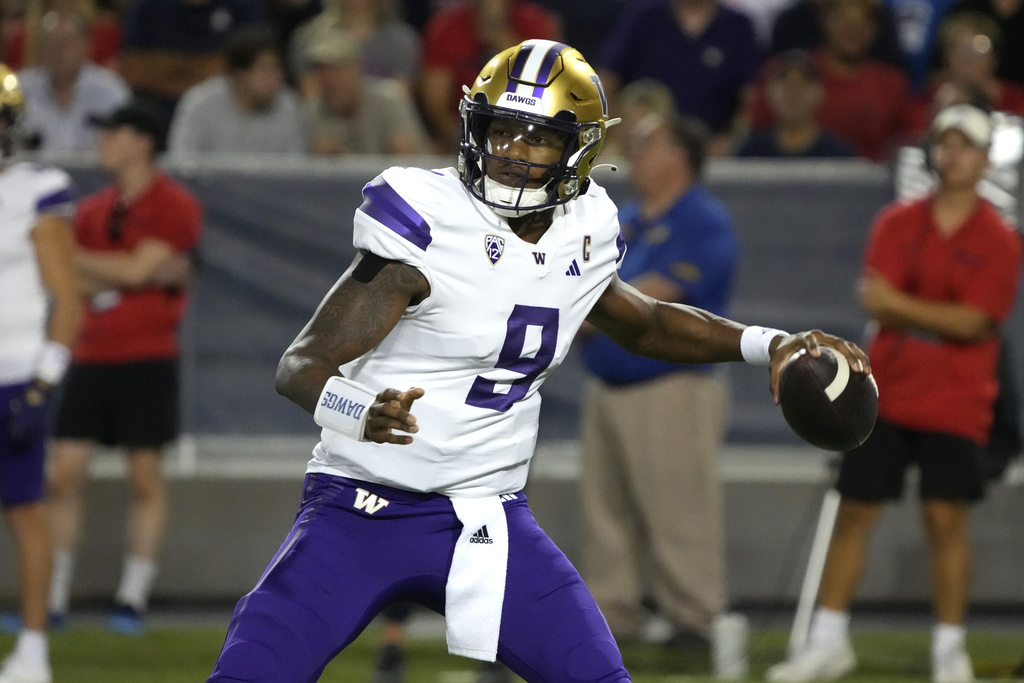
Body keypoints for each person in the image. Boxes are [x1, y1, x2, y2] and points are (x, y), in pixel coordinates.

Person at [205, 38, 871, 683]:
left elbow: (645, 323)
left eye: (537, 136)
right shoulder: (427, 220)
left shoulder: (586, 227)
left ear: (577, 147)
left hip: (488, 517)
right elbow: (301, 363)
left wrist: (770, 343)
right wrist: (359, 409)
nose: (510, 151)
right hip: (357, 510)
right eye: (500, 129)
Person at [767, 103, 1022, 683]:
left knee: (944, 517)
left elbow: (975, 322)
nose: (953, 154)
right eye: (946, 143)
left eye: (966, 145)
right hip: (885, 392)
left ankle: (949, 651)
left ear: (984, 159)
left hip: (957, 397)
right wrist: (937, 315)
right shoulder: (897, 222)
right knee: (854, 510)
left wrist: (905, 309)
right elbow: (881, 301)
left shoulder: (1000, 238)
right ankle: (829, 641)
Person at [578, 112, 738, 650]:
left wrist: (579, 311)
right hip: (608, 386)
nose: (636, 150)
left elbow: (651, 295)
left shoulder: (703, 220)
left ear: (680, 157)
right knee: (606, 514)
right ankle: (613, 615)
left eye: (650, 142)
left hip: (672, 386)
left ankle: (695, 618)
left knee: (679, 510)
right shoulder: (622, 218)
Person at [46, 99, 203, 635]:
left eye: (113, 133)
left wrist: (71, 254)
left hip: (146, 355)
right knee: (62, 473)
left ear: (142, 142)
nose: (104, 143)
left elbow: (133, 269)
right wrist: (131, 272)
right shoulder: (93, 210)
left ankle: (132, 597)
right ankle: (53, 596)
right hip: (92, 353)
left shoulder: (173, 205)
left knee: (144, 477)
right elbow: (97, 277)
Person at [0, 65, 81, 683]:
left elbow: (67, 297)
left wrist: (42, 384)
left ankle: (33, 651)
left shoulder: (35, 188)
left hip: (16, 373)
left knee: (24, 510)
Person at [598, 0, 761, 156]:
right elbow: (606, 81)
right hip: (644, 148)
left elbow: (750, 96)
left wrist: (730, 142)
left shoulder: (738, 26)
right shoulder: (644, 16)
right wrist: (617, 133)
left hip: (712, 153)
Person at [418, 0, 560, 152]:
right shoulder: (445, 28)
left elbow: (547, 89)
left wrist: (500, 36)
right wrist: (465, 139)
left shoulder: (535, 23)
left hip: (526, 127)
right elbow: (436, 105)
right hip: (461, 133)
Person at [167, 25, 308, 155]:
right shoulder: (199, 104)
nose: (274, 79)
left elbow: (295, 169)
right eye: (264, 69)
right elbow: (181, 163)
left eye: (277, 69)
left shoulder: (288, 105)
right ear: (238, 75)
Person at [117, 0, 265, 118]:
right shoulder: (148, 5)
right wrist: (209, 67)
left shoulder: (243, 6)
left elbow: (253, 69)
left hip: (224, 116)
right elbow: (134, 70)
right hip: (157, 114)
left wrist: (168, 67)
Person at [18, 9, 131, 152]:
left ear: (86, 46)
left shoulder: (111, 93)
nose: (58, 51)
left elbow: (126, 153)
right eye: (51, 43)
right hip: (33, 173)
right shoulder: (19, 90)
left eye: (66, 43)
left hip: (94, 174)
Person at [304, 30, 429, 156]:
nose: (328, 81)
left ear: (358, 68)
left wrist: (344, 159)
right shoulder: (315, 110)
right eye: (321, 71)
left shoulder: (389, 99)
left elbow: (405, 161)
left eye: (335, 70)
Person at [736, 49, 855, 157]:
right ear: (769, 91)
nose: (793, 91)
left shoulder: (837, 155)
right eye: (784, 81)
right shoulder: (751, 153)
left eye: (803, 82)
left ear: (819, 93)